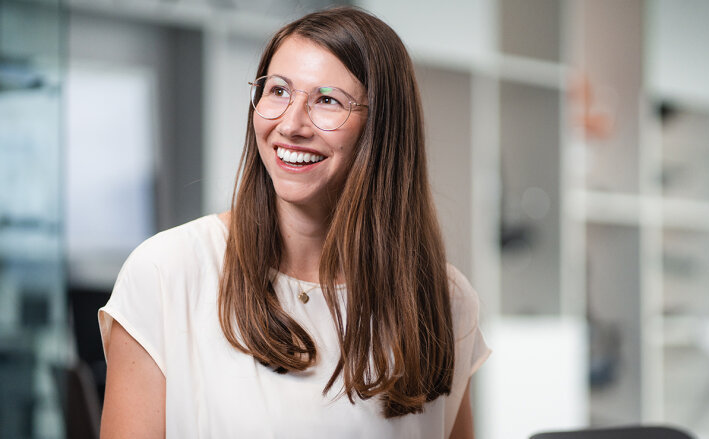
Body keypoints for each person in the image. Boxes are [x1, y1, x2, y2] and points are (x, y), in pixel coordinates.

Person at [98, 6, 490, 438]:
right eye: (278, 91)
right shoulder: (165, 272)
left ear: (382, 127)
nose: (291, 124)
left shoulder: (444, 299)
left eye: (326, 100)